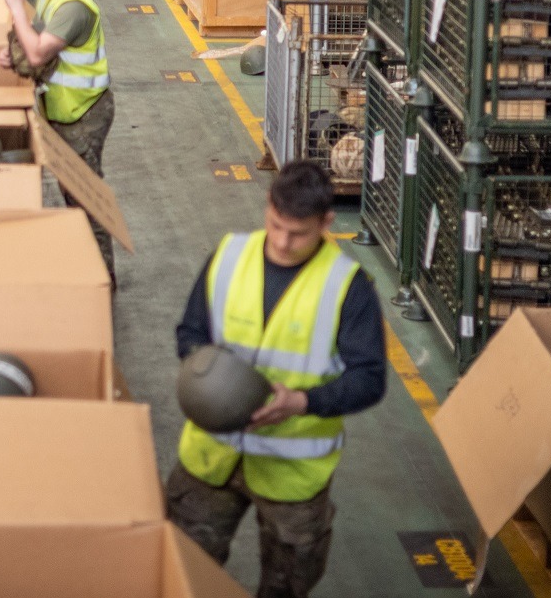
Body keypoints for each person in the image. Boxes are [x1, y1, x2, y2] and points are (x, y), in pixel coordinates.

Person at [166, 161, 388, 597]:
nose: (284, 243)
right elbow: (190, 332)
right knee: (180, 573)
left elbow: (370, 378)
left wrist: (301, 402)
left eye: (299, 233)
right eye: (276, 226)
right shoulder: (229, 256)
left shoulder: (347, 286)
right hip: (211, 454)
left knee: (286, 587)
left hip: (292, 475)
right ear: (267, 206)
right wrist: (207, 377)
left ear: (326, 222)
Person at [0, 0, 112, 279]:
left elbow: (37, 54)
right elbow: (35, 42)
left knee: (86, 201)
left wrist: (16, 9)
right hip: (63, 111)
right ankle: (86, 267)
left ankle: (101, 281)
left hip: (83, 114)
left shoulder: (75, 6)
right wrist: (12, 53)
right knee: (71, 194)